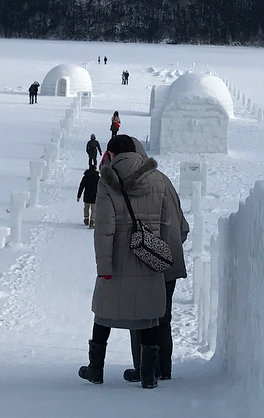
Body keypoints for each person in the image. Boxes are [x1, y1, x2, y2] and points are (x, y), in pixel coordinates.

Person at [77, 134, 184, 389]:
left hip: (117, 260)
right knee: (148, 315)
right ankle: (148, 375)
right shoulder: (158, 179)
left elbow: (104, 229)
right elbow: (166, 223)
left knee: (103, 314)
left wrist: (104, 267)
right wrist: (161, 255)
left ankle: (95, 369)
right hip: (148, 258)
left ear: (112, 154)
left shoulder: (108, 181)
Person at [120, 137, 189, 383]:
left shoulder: (132, 184)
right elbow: (183, 227)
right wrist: (168, 250)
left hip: (144, 259)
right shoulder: (164, 180)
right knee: (163, 315)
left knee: (140, 313)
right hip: (168, 259)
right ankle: (164, 367)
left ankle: (144, 366)